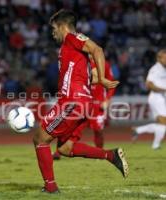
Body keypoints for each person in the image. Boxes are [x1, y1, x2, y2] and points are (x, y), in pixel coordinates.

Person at [33, 9, 128, 193]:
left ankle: (50, 188)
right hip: (82, 103)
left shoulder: (72, 38)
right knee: (65, 148)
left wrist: (102, 78)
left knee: (40, 139)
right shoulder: (72, 49)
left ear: (62, 26)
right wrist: (96, 78)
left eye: (54, 28)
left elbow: (97, 49)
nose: (53, 33)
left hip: (72, 102)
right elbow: (84, 75)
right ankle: (110, 155)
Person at [52, 57, 116, 160]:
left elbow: (111, 84)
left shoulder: (104, 64)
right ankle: (58, 152)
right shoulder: (80, 62)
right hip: (82, 101)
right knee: (70, 127)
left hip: (97, 104)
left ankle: (100, 153)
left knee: (98, 129)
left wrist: (107, 100)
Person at [132, 49, 166, 149]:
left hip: (161, 98)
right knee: (164, 122)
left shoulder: (163, 69)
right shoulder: (155, 69)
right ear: (159, 58)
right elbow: (148, 84)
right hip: (156, 98)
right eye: (165, 58)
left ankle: (138, 130)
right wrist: (163, 89)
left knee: (162, 124)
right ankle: (155, 145)